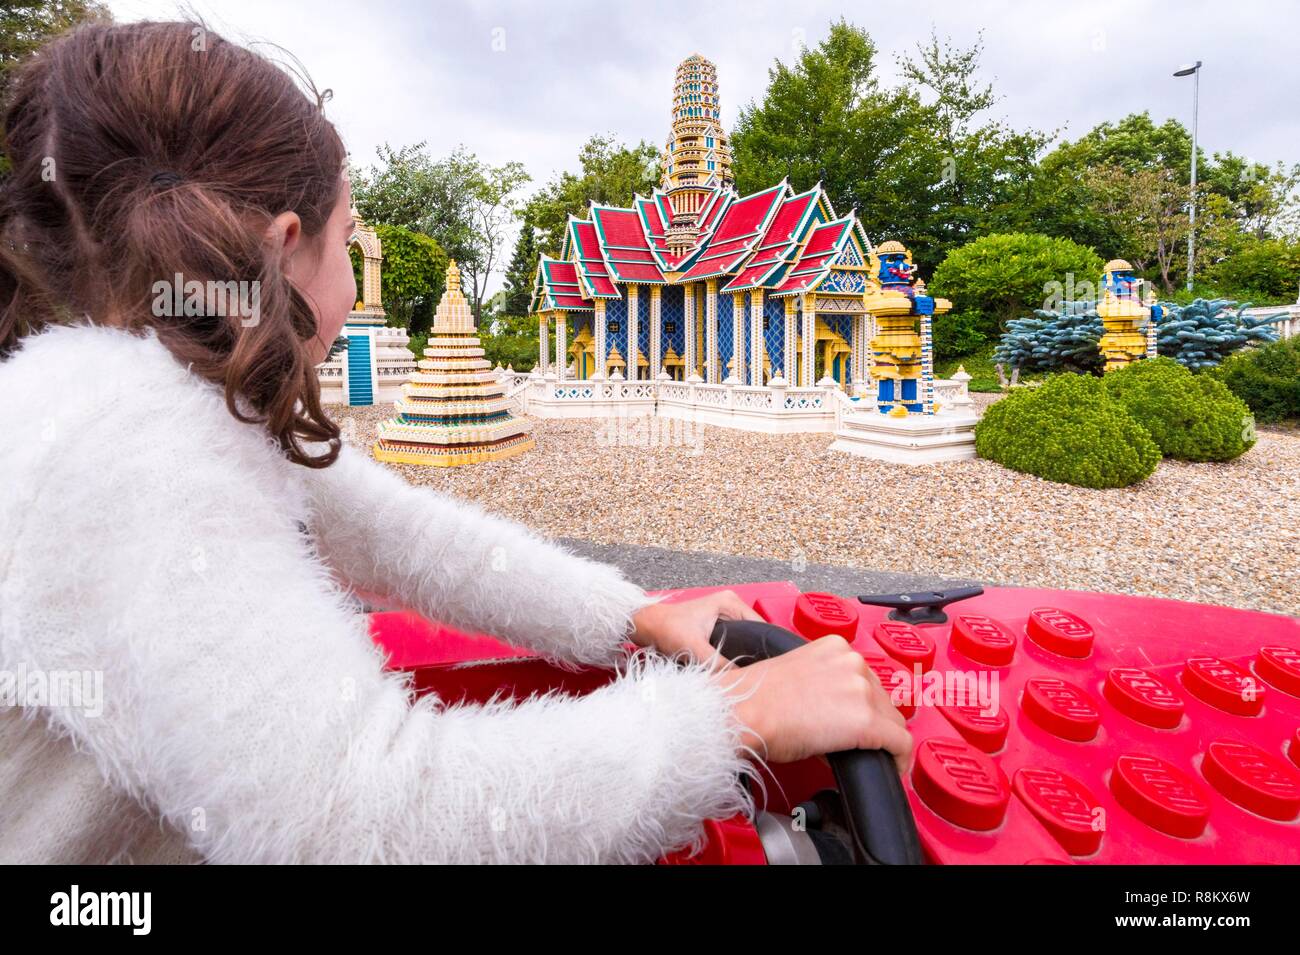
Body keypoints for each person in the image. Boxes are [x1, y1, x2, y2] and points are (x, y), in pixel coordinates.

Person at [0, 21, 911, 864]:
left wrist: (627, 618)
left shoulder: (166, 393)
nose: (357, 287)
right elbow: (358, 816)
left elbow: (406, 537)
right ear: (284, 250)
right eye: (348, 244)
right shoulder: (128, 448)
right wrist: (726, 722)